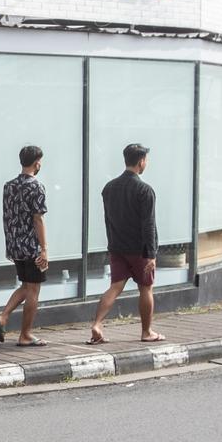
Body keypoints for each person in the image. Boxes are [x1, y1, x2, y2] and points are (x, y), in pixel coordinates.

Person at [88, 143, 163, 344]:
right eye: (146, 159)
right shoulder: (145, 190)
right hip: (139, 250)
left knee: (114, 287)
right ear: (141, 162)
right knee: (146, 288)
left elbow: (108, 219)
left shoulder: (109, 188)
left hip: (117, 247)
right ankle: (147, 332)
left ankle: (97, 324)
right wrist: (151, 254)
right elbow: (148, 224)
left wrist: (112, 243)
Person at [0, 145, 49, 347]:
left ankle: (3, 316)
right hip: (31, 246)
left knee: (25, 286)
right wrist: (44, 249)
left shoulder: (9, 186)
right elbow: (38, 219)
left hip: (14, 245)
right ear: (37, 163)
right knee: (33, 290)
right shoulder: (36, 187)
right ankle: (25, 334)